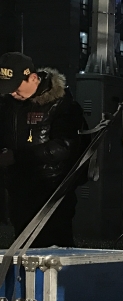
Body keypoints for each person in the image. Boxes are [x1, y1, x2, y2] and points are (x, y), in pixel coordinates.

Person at [0, 52, 87, 247]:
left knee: (54, 249)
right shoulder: (8, 103)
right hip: (18, 190)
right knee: (22, 249)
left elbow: (65, 146)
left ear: (33, 78)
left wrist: (17, 157)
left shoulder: (61, 103)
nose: (12, 93)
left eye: (15, 87)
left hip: (52, 192)